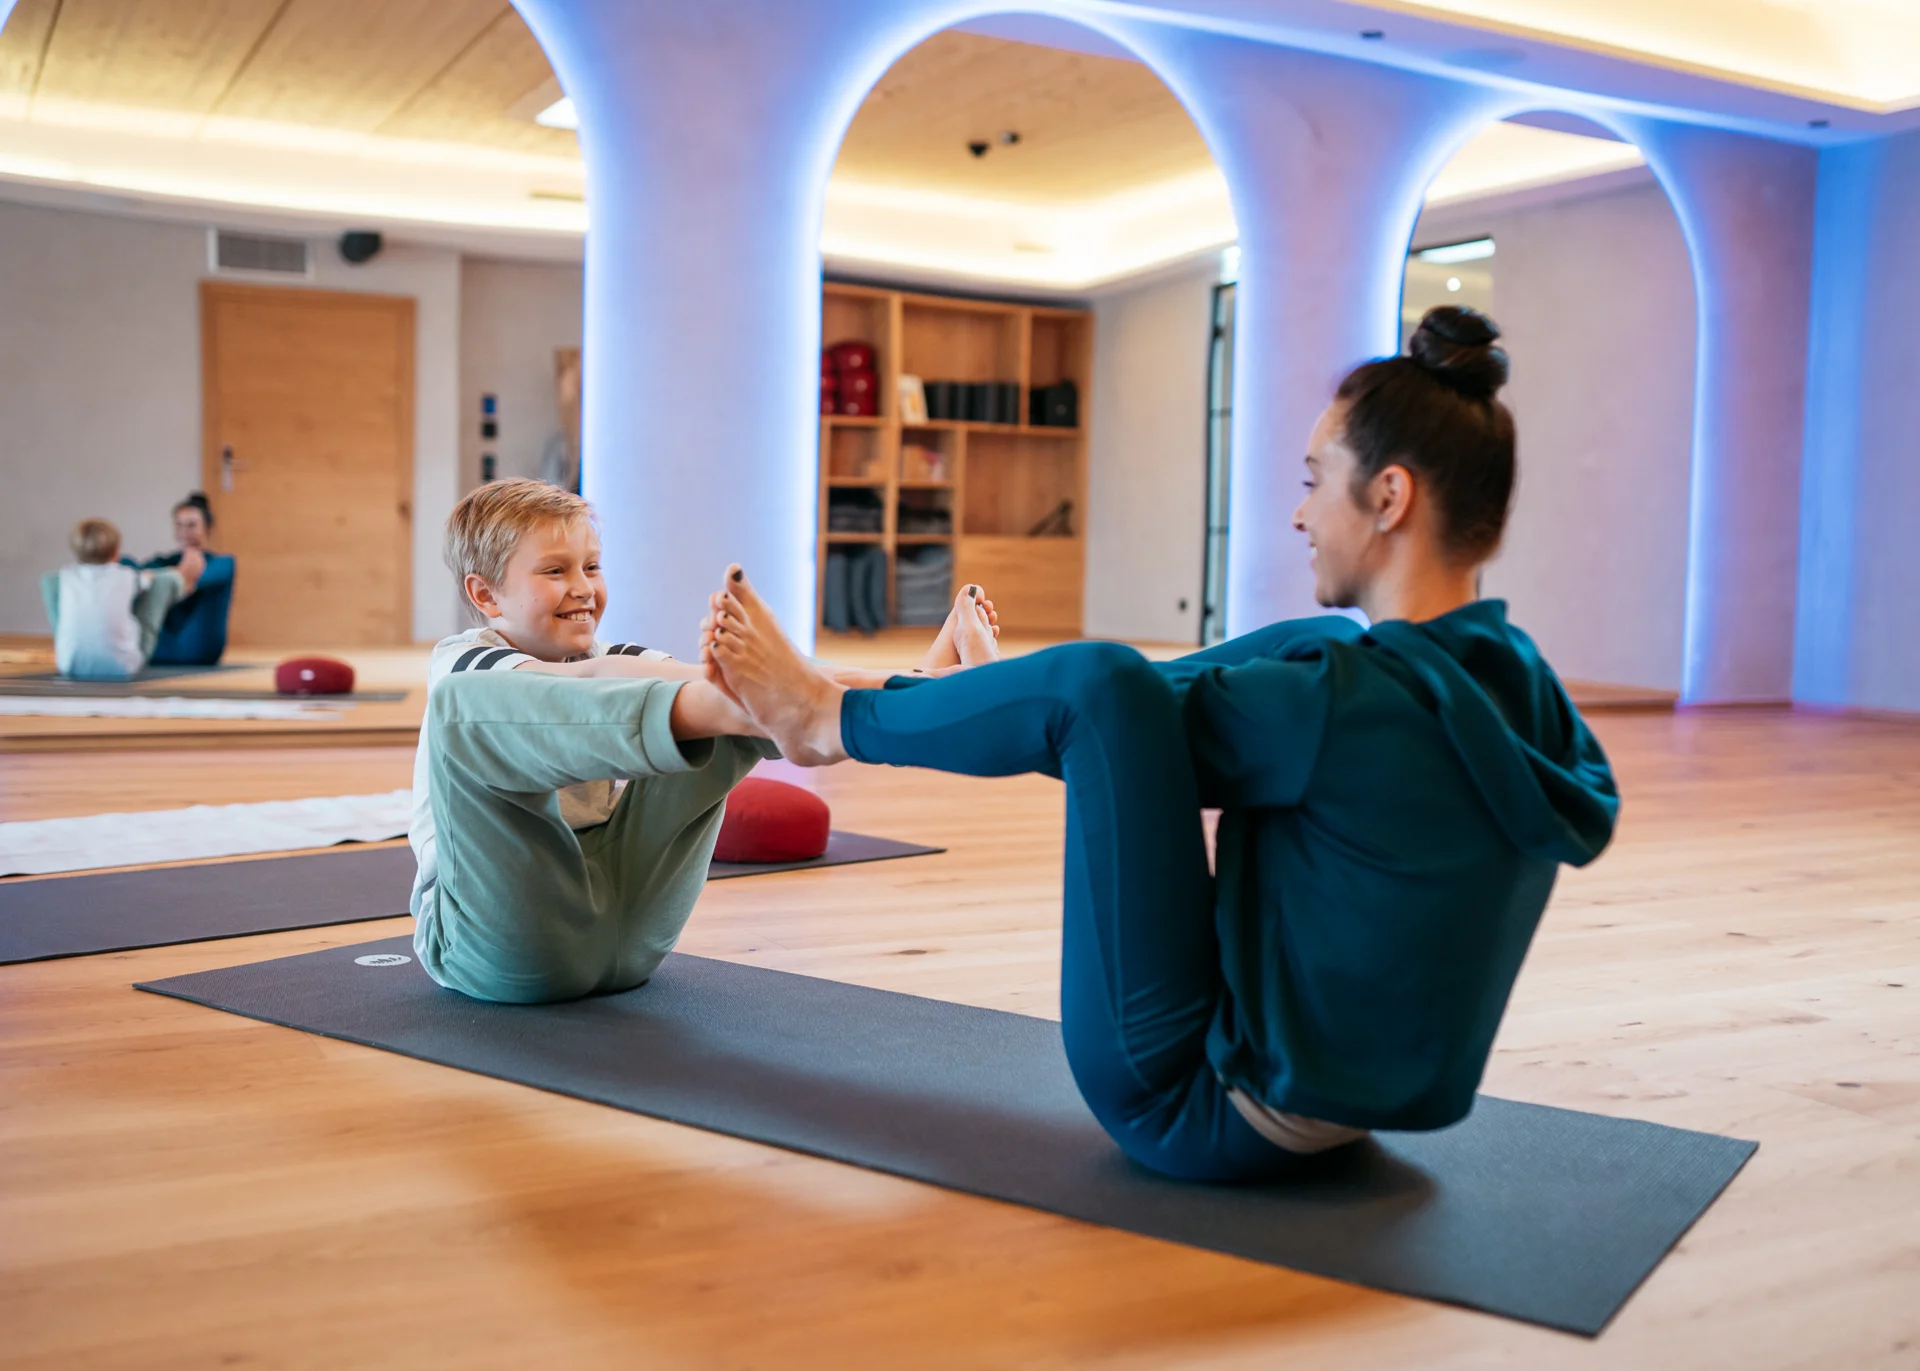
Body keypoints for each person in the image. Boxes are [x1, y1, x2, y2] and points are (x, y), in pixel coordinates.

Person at [702, 306, 1620, 1183]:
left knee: (1096, 684)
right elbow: (1166, 726)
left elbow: (1103, 723)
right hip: (1354, 1099)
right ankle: (954, 692)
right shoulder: (1515, 680)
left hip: (1202, 1107)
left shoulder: (1346, 706)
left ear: (1388, 496)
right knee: (1317, 642)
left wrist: (900, 705)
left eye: (1312, 481)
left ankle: (824, 718)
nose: (1299, 516)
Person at [412, 478, 999, 1005]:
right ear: (486, 597)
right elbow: (591, 682)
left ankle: (914, 700)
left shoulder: (612, 657)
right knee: (467, 712)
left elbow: (709, 681)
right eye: (555, 571)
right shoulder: (465, 664)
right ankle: (823, 708)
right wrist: (753, 695)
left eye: (591, 567)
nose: (583, 587)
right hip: (499, 945)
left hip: (628, 932)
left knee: (730, 692)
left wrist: (911, 686)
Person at [42, 518, 202, 680]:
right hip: (123, 666)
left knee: (51, 584)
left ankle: (72, 645)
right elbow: (151, 581)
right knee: (164, 581)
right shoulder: (127, 576)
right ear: (116, 551)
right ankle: (186, 584)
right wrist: (175, 576)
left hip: (69, 665)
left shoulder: (65, 577)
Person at [132, 493, 235, 666]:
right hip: (160, 647)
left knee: (163, 581)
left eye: (192, 526)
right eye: (179, 525)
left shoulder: (222, 563)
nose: (184, 532)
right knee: (128, 566)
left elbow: (196, 580)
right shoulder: (162, 562)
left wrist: (172, 578)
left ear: (207, 528)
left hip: (199, 649)